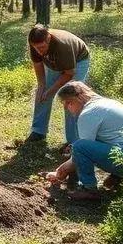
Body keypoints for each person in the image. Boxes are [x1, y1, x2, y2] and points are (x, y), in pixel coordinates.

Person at [42, 82, 123, 201]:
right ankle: (118, 177)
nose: (66, 108)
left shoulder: (88, 113)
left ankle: (89, 189)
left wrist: (60, 172)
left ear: (80, 97)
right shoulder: (108, 103)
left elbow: (81, 152)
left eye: (68, 103)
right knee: (98, 142)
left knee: (80, 146)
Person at [25, 25, 91, 153]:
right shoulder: (35, 46)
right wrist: (42, 87)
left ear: (48, 39)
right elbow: (39, 69)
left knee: (70, 98)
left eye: (42, 47)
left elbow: (69, 73)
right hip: (56, 61)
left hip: (78, 60)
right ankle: (38, 132)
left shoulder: (62, 46)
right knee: (41, 93)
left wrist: (51, 91)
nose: (39, 51)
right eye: (36, 48)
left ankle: (73, 142)